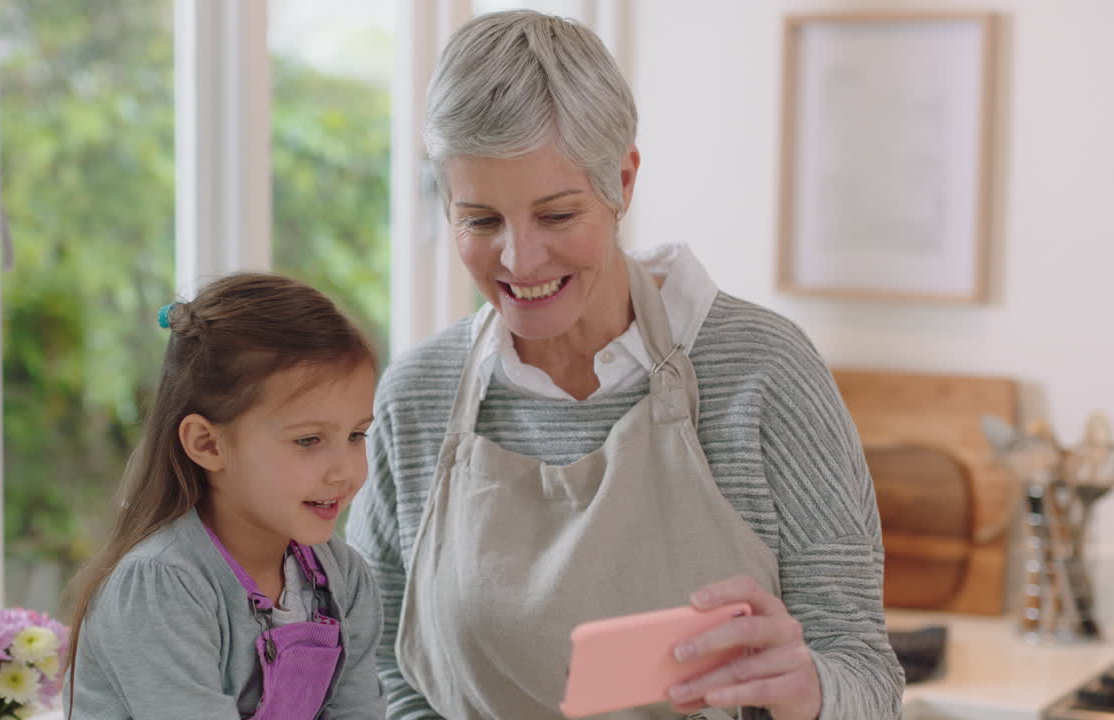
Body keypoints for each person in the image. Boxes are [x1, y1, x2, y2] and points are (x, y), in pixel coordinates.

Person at [346, 10, 902, 720]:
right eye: (480, 220)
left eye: (556, 216)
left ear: (624, 182)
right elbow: (378, 675)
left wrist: (814, 691)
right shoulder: (416, 399)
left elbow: (866, 675)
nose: (519, 260)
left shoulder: (763, 372)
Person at [63, 273, 386, 719]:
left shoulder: (343, 577)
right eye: (309, 440)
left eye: (356, 435)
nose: (346, 470)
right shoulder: (161, 586)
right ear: (208, 444)